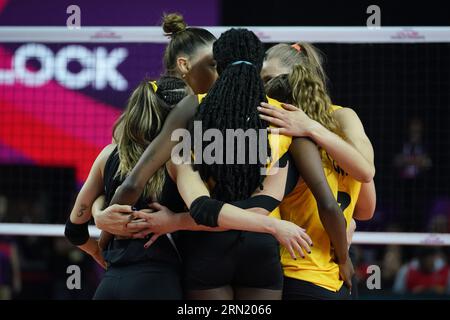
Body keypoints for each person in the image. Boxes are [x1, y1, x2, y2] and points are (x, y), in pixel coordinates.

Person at [95, 28, 348, 299]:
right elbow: (328, 204)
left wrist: (105, 234)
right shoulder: (284, 116)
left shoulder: (194, 107)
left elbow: (134, 181)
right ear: (258, 62)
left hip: (207, 246)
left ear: (219, 63)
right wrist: (343, 258)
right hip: (260, 247)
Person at [263, 62, 375, 299]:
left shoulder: (284, 141)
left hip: (297, 271)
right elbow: (365, 209)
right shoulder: (346, 139)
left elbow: (328, 205)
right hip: (339, 277)